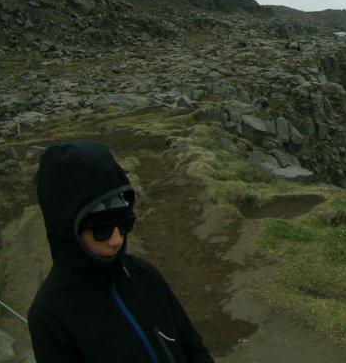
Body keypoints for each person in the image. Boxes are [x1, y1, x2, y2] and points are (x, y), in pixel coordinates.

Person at [27, 139, 213, 362]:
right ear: (67, 228)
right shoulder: (50, 316)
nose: (116, 240)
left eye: (124, 223)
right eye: (101, 229)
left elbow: (194, 349)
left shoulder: (144, 275)